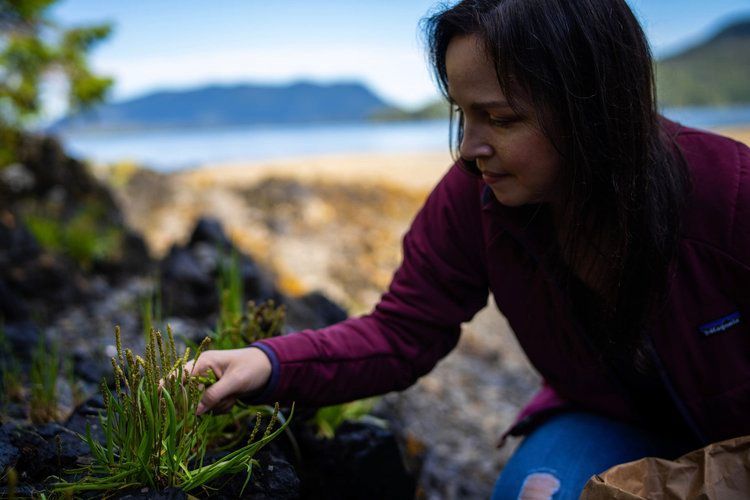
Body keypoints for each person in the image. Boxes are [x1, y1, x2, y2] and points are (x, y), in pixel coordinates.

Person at [186, 0, 750, 497]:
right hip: (606, 417)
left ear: (596, 109)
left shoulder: (730, 195)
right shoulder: (475, 198)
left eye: (500, 119)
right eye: (461, 113)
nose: (466, 148)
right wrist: (267, 361)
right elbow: (402, 332)